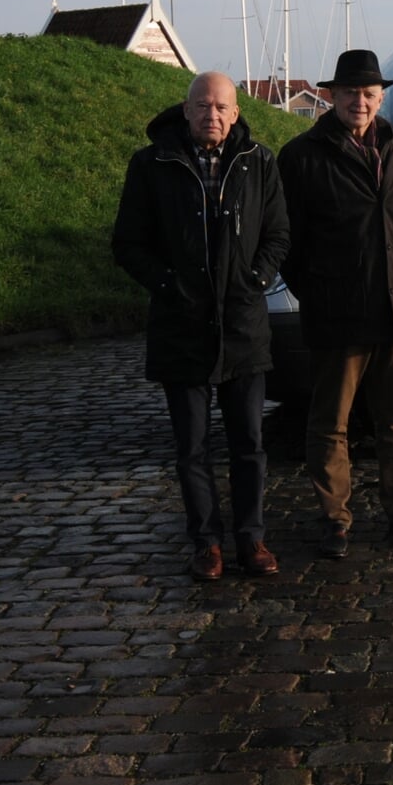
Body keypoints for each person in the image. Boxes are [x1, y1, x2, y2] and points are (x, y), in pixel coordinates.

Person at [112, 71, 292, 580]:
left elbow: (278, 233)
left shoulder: (259, 163)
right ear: (186, 110)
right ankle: (206, 542)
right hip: (181, 325)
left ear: (236, 113)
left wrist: (256, 277)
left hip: (242, 325)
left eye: (221, 107)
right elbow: (128, 243)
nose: (211, 115)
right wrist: (168, 285)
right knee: (191, 448)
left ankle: (252, 539)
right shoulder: (152, 165)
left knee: (249, 444)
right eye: (202, 106)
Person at [278, 49, 393, 558]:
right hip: (337, 310)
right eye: (350, 93)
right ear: (331, 95)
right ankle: (335, 518)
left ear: (381, 96)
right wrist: (318, 290)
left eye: (368, 94)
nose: (359, 102)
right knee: (331, 422)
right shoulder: (302, 156)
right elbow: (287, 240)